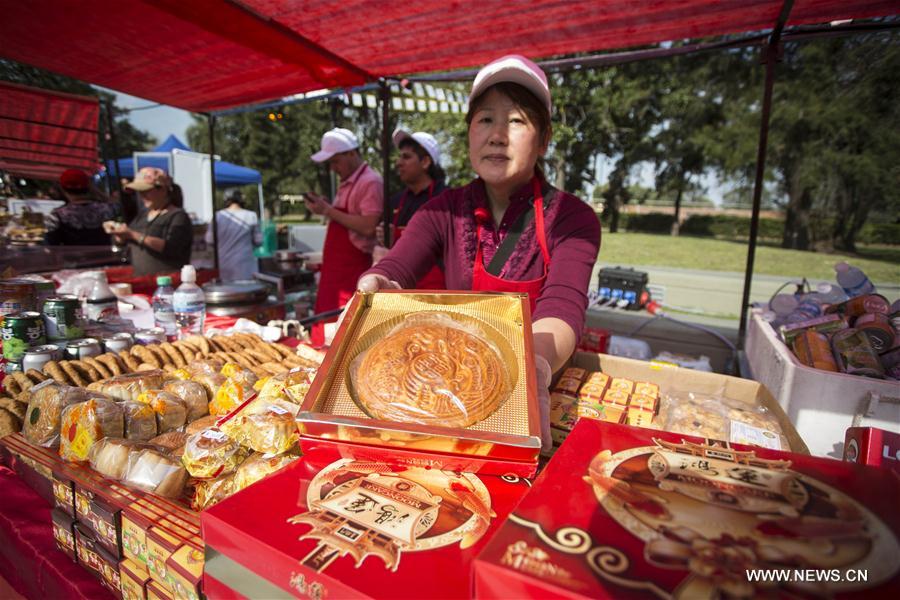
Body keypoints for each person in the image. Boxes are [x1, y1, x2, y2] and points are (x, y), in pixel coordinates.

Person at [358, 55, 601, 449]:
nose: (498, 135)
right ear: (470, 132)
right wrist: (380, 280)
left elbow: (563, 304)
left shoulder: (573, 218)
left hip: (538, 391)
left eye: (517, 121)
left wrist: (531, 369)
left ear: (544, 139)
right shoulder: (442, 210)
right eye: (486, 119)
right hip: (452, 394)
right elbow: (400, 264)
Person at [305, 127, 383, 338]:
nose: (333, 168)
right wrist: (324, 208)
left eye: (335, 161)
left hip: (352, 273)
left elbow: (368, 225)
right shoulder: (349, 182)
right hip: (336, 273)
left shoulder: (370, 181)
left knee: (345, 332)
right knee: (327, 329)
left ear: (351, 153)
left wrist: (328, 210)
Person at [372, 129, 447, 289]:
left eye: (406, 157)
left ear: (425, 162)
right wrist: (385, 238)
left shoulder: (446, 201)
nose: (399, 162)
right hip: (402, 286)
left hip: (438, 290)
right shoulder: (395, 201)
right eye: (400, 157)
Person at [111, 167, 193, 277]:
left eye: (146, 191)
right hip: (142, 281)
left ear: (163, 190)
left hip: (168, 283)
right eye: (140, 192)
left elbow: (171, 248)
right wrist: (120, 237)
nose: (142, 196)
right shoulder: (142, 215)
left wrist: (132, 234)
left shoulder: (177, 216)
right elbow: (126, 241)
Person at [45, 169, 120, 246]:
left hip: (71, 257)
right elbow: (114, 203)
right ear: (88, 187)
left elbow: (51, 245)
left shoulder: (56, 216)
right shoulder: (108, 209)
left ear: (63, 189)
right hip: (108, 257)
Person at [205, 188, 262, 281]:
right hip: (245, 265)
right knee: (246, 292)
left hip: (223, 265)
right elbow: (259, 241)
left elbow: (209, 240)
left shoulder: (218, 216)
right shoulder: (251, 215)